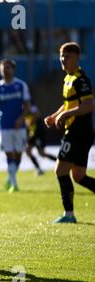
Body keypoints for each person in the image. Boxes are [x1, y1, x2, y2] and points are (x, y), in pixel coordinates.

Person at [44, 42, 95, 224]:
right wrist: (55, 115)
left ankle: (69, 214)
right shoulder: (68, 78)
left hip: (78, 131)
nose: (63, 60)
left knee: (60, 170)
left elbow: (89, 105)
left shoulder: (80, 79)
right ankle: (69, 214)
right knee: (79, 176)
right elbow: (69, 103)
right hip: (79, 131)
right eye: (61, 56)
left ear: (76, 58)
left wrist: (65, 115)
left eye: (67, 56)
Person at [0, 59, 31, 192]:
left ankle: (10, 178)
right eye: (3, 68)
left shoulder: (21, 85)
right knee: (9, 154)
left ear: (13, 69)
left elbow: (28, 106)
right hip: (4, 126)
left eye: (8, 67)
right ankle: (14, 184)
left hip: (19, 127)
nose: (5, 70)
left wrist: (21, 118)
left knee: (19, 154)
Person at [24, 103, 57, 176]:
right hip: (33, 133)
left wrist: (29, 118)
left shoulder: (32, 107)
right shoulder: (22, 109)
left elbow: (36, 116)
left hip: (39, 133)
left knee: (41, 153)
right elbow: (27, 123)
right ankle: (38, 169)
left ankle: (61, 162)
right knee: (28, 151)